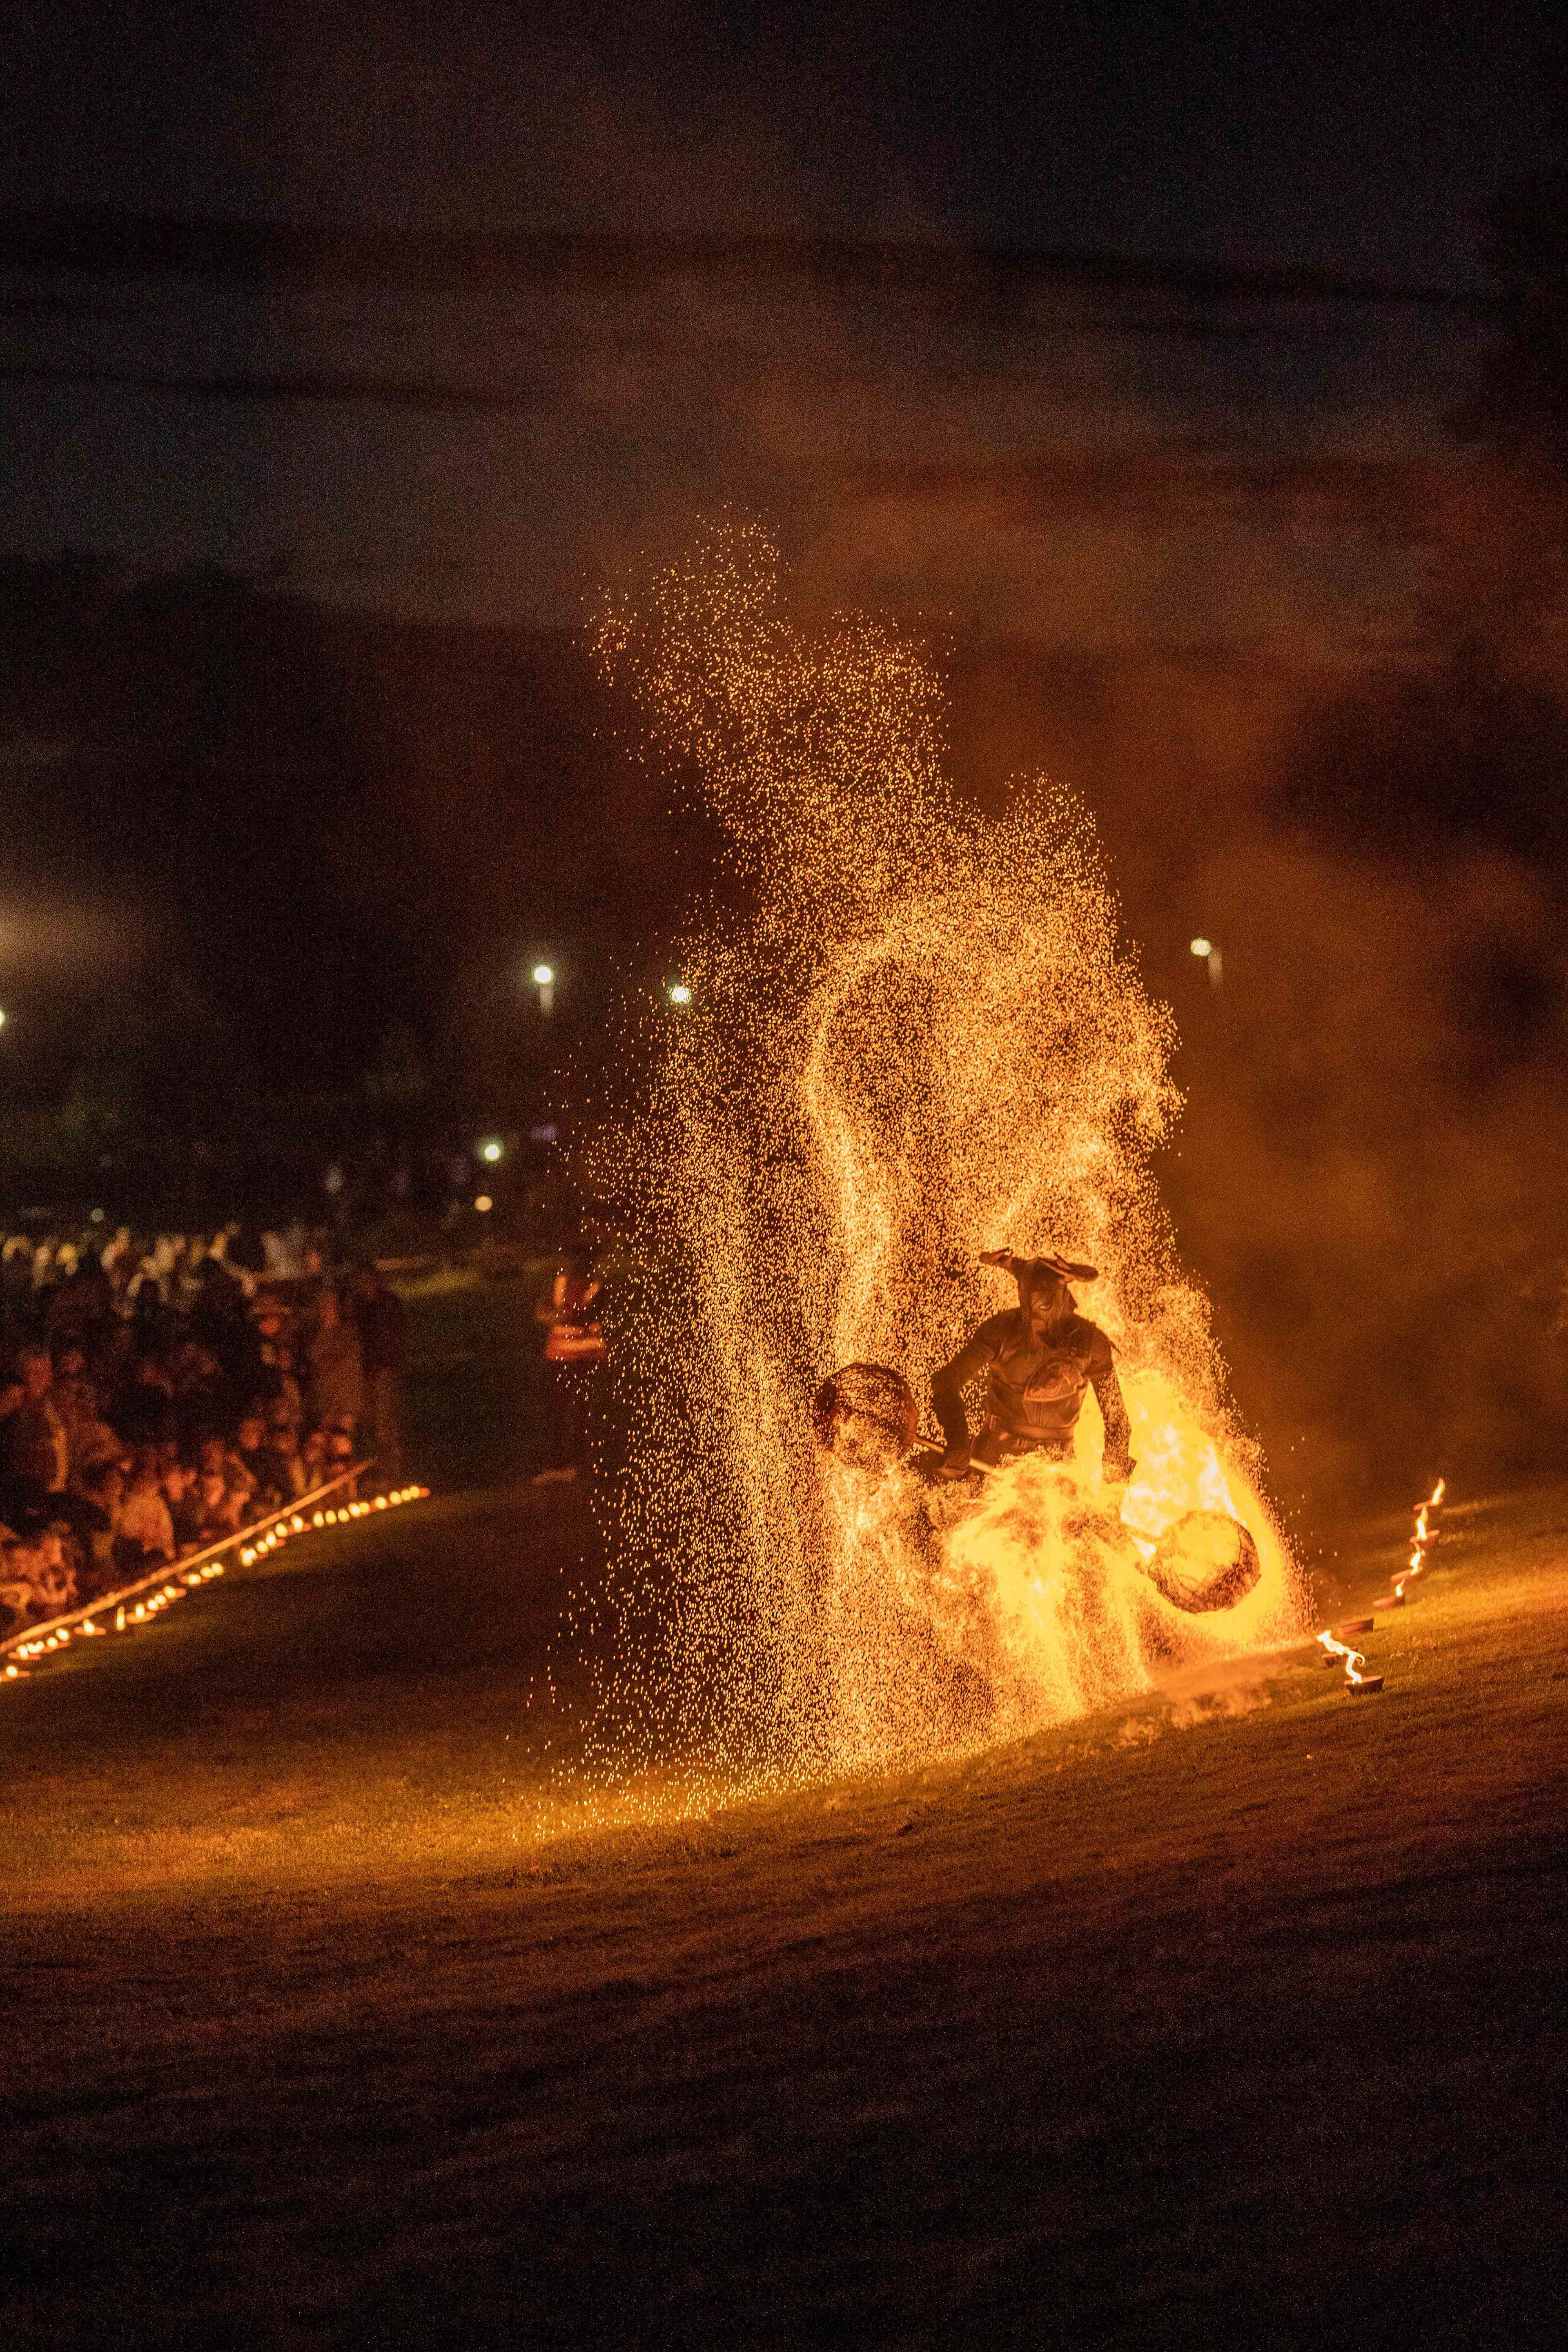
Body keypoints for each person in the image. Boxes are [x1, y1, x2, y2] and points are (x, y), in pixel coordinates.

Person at [931, 1248, 1135, 1484]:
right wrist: (958, 1437)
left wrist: (1114, 1493)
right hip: (994, 1464)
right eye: (1029, 1308)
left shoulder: (1090, 1343)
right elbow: (947, 1380)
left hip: (1058, 1475)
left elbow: (1117, 1421)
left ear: (1065, 1297)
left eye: (1045, 1308)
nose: (1036, 1325)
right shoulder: (1001, 1332)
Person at [532, 1244, 606, 1484]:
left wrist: (562, 1316)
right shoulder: (564, 1284)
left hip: (581, 1360)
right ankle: (562, 1466)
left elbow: (584, 1314)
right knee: (561, 1413)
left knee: (576, 1415)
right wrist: (561, 1316)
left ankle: (573, 1466)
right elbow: (543, 1312)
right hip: (566, 1358)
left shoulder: (595, 1287)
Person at [350, 1263, 406, 1487]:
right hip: (366, 1371)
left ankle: (392, 1471)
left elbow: (391, 1338)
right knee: (371, 1421)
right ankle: (377, 1470)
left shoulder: (387, 1306)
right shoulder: (361, 1308)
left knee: (385, 1422)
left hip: (383, 1369)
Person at [305, 1285, 363, 1443]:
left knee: (342, 1442)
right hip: (326, 1398)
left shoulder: (348, 1332)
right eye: (323, 1307)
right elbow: (313, 1356)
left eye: (330, 1307)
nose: (326, 1312)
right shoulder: (317, 1333)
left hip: (346, 1399)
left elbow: (345, 1359)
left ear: (337, 1309)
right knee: (324, 1441)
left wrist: (328, 1358)